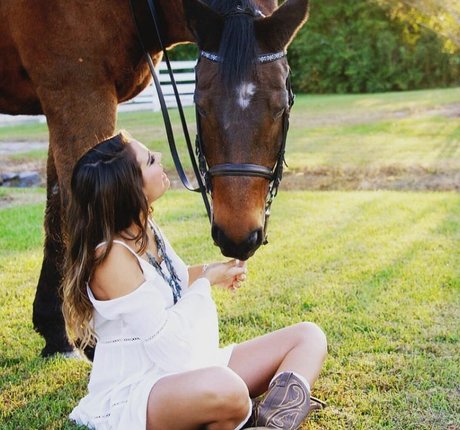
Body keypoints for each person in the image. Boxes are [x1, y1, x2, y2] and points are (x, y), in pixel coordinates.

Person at [62, 131, 327, 430]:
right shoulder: (111, 258)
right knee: (228, 387)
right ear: (129, 187)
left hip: (194, 369)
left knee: (308, 336)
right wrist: (205, 282)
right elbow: (170, 349)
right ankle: (256, 413)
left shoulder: (144, 227)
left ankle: (271, 422)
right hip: (141, 389)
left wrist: (214, 271)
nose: (159, 157)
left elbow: (170, 280)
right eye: (150, 161)